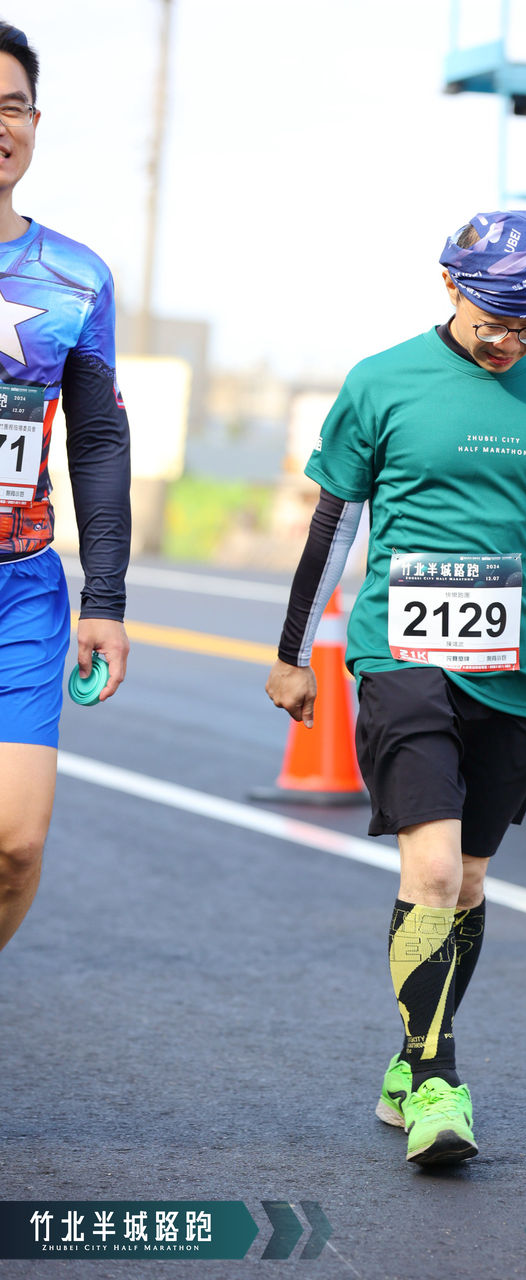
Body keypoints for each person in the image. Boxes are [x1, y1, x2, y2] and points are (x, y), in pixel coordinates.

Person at [266, 210, 526, 1167]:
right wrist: (292, 652)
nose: (510, 344)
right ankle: (435, 1076)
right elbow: (335, 521)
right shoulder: (382, 381)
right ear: (450, 287)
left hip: (520, 669)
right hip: (403, 657)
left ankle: (409, 1063)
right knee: (435, 871)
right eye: (495, 324)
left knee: (469, 883)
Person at [0, 23, 131, 951]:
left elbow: (97, 439)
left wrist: (107, 599)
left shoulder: (77, 279)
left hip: (21, 590)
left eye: (12, 107)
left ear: (35, 124)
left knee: (15, 846)